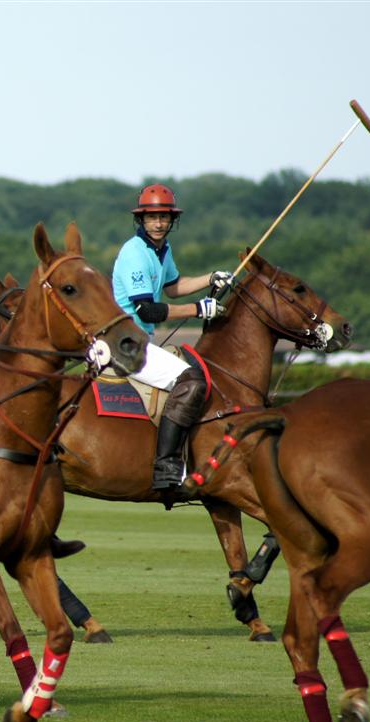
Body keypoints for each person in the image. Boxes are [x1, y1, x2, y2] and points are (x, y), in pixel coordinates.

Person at [111, 184, 232, 493]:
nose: (159, 223)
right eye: (152, 217)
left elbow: (174, 286)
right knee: (191, 379)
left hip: (142, 342)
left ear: (171, 220)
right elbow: (148, 310)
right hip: (124, 343)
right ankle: (166, 465)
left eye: (164, 217)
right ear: (141, 219)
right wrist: (198, 309)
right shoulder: (134, 253)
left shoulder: (162, 251)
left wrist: (211, 278)